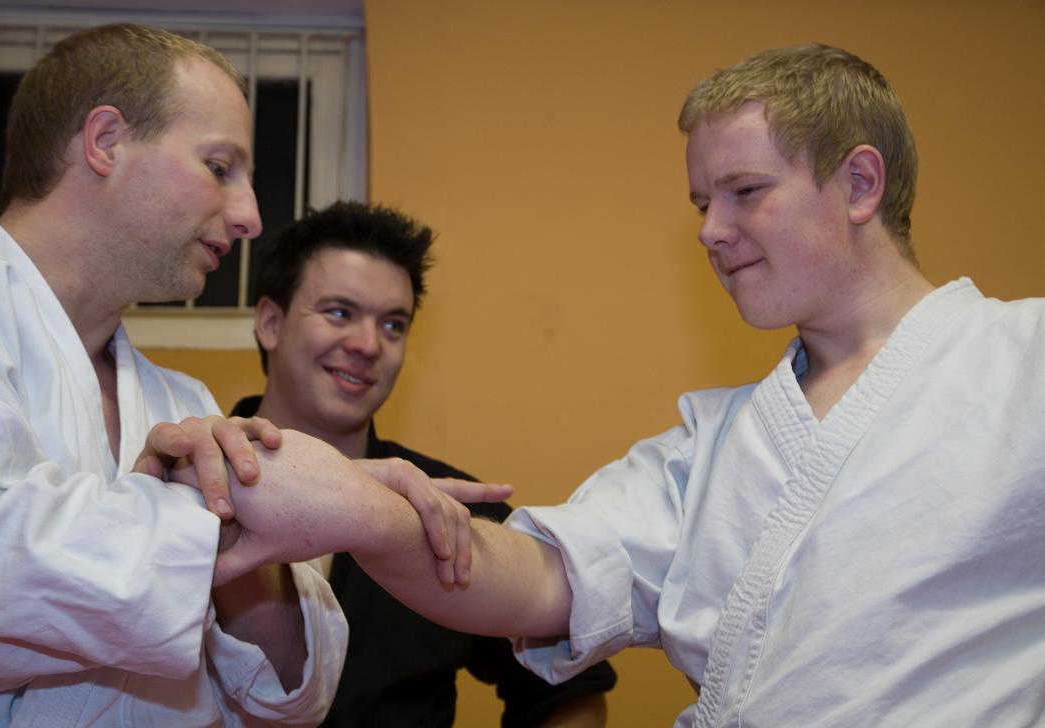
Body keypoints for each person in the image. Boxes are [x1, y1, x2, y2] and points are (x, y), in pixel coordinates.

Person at [224, 44, 1045, 725]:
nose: (710, 232)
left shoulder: (1022, 361)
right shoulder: (716, 446)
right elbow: (542, 578)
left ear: (860, 185)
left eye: (746, 193)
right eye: (700, 202)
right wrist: (369, 512)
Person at [0, 23, 493, 725]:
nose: (249, 217)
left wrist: (297, 506)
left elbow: (290, 695)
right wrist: (268, 508)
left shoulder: (185, 405)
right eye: (219, 167)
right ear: (106, 141)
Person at [231, 200, 617, 727]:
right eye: (340, 312)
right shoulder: (191, 481)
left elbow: (569, 691)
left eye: (393, 325)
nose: (368, 345)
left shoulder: (449, 509)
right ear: (270, 323)